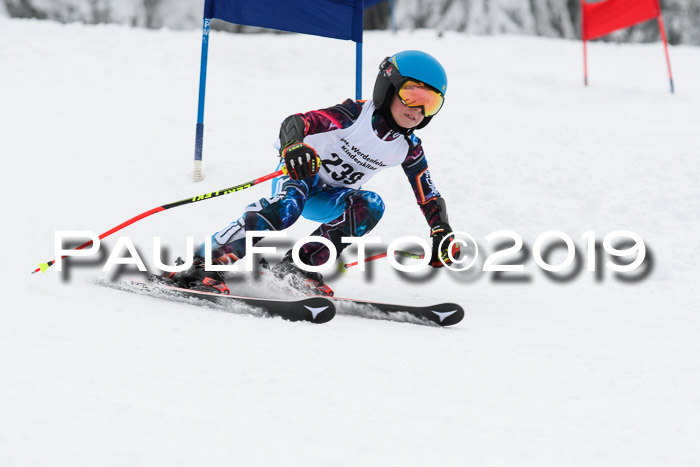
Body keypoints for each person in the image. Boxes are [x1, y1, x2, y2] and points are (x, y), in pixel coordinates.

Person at [166, 50, 460, 295]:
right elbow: (297, 121)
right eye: (411, 95)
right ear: (388, 87)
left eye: (430, 103)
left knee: (371, 205)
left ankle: (299, 266)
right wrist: (293, 147)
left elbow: (428, 194)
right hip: (301, 171)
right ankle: (205, 262)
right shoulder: (354, 116)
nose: (418, 110)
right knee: (287, 208)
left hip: (329, 196)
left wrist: (440, 230)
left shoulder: (408, 147)